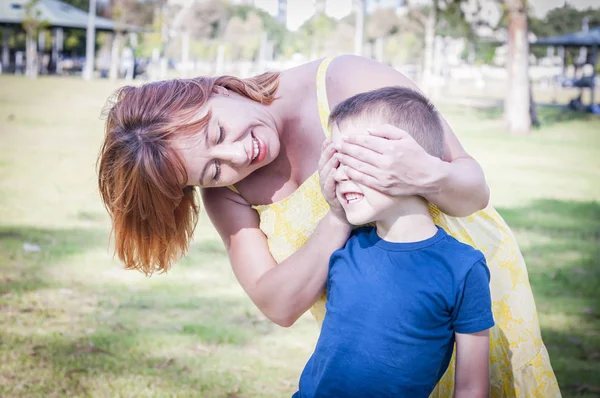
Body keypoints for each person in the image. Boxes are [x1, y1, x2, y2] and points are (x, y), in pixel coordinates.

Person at [97, 55, 560, 396]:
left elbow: (474, 189)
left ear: (213, 89)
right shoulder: (228, 194)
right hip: (380, 356)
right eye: (212, 170)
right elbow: (278, 303)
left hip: (467, 298)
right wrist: (335, 217)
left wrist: (426, 174)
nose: (237, 156)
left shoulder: (344, 82)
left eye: (218, 133)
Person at [293, 86, 495, 398]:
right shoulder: (346, 249)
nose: (342, 175)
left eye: (359, 159)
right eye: (336, 160)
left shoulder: (463, 268)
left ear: (412, 162)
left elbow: (471, 387)